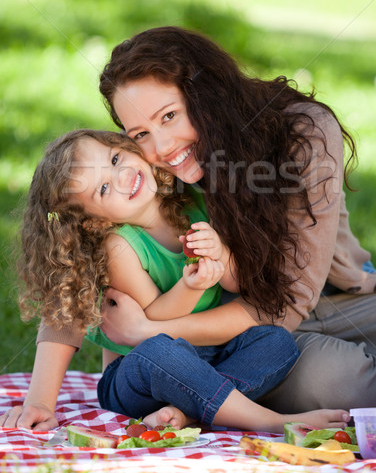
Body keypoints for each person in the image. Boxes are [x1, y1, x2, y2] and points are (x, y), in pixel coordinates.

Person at [94, 26, 376, 412]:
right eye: (139, 133)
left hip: (343, 298)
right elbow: (76, 231)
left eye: (170, 115)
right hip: (242, 330)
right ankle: (218, 396)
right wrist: (42, 392)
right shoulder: (145, 170)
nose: (162, 147)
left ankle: (204, 398)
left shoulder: (302, 132)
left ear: (207, 94)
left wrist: (147, 331)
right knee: (349, 387)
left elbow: (294, 300)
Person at [0, 128, 348, 432]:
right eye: (104, 188)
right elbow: (154, 320)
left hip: (201, 357)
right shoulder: (119, 246)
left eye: (116, 159)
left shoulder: (191, 202)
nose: (122, 176)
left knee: (276, 341)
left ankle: (187, 415)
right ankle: (269, 421)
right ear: (94, 222)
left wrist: (223, 259)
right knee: (161, 350)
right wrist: (190, 286)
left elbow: (237, 284)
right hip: (139, 372)